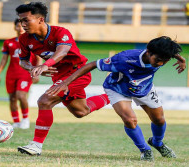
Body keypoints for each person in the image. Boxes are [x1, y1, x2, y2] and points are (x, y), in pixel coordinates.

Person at [47, 36, 186, 161]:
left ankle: (157, 143)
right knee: (130, 119)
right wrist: (66, 82)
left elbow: (169, 53)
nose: (160, 64)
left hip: (144, 88)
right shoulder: (125, 58)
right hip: (117, 88)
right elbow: (92, 64)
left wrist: (181, 59)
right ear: (148, 52)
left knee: (159, 120)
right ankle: (145, 150)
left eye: (165, 61)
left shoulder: (161, 54)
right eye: (159, 60)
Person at [16, 2, 110, 155]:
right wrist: (32, 68)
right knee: (81, 111)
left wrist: (46, 65)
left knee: (44, 101)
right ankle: (112, 96)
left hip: (78, 73)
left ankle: (36, 146)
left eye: (26, 20)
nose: (23, 24)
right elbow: (23, 61)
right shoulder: (25, 39)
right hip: (59, 77)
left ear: (40, 19)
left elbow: (62, 51)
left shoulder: (60, 32)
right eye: (21, 20)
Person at [0, 19, 41, 129]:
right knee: (12, 98)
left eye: (23, 26)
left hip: (26, 73)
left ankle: (25, 119)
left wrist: (37, 72)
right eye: (18, 26)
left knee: (21, 95)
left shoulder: (32, 41)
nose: (20, 28)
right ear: (14, 27)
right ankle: (16, 121)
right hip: (11, 73)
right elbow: (4, 59)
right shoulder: (8, 42)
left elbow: (39, 58)